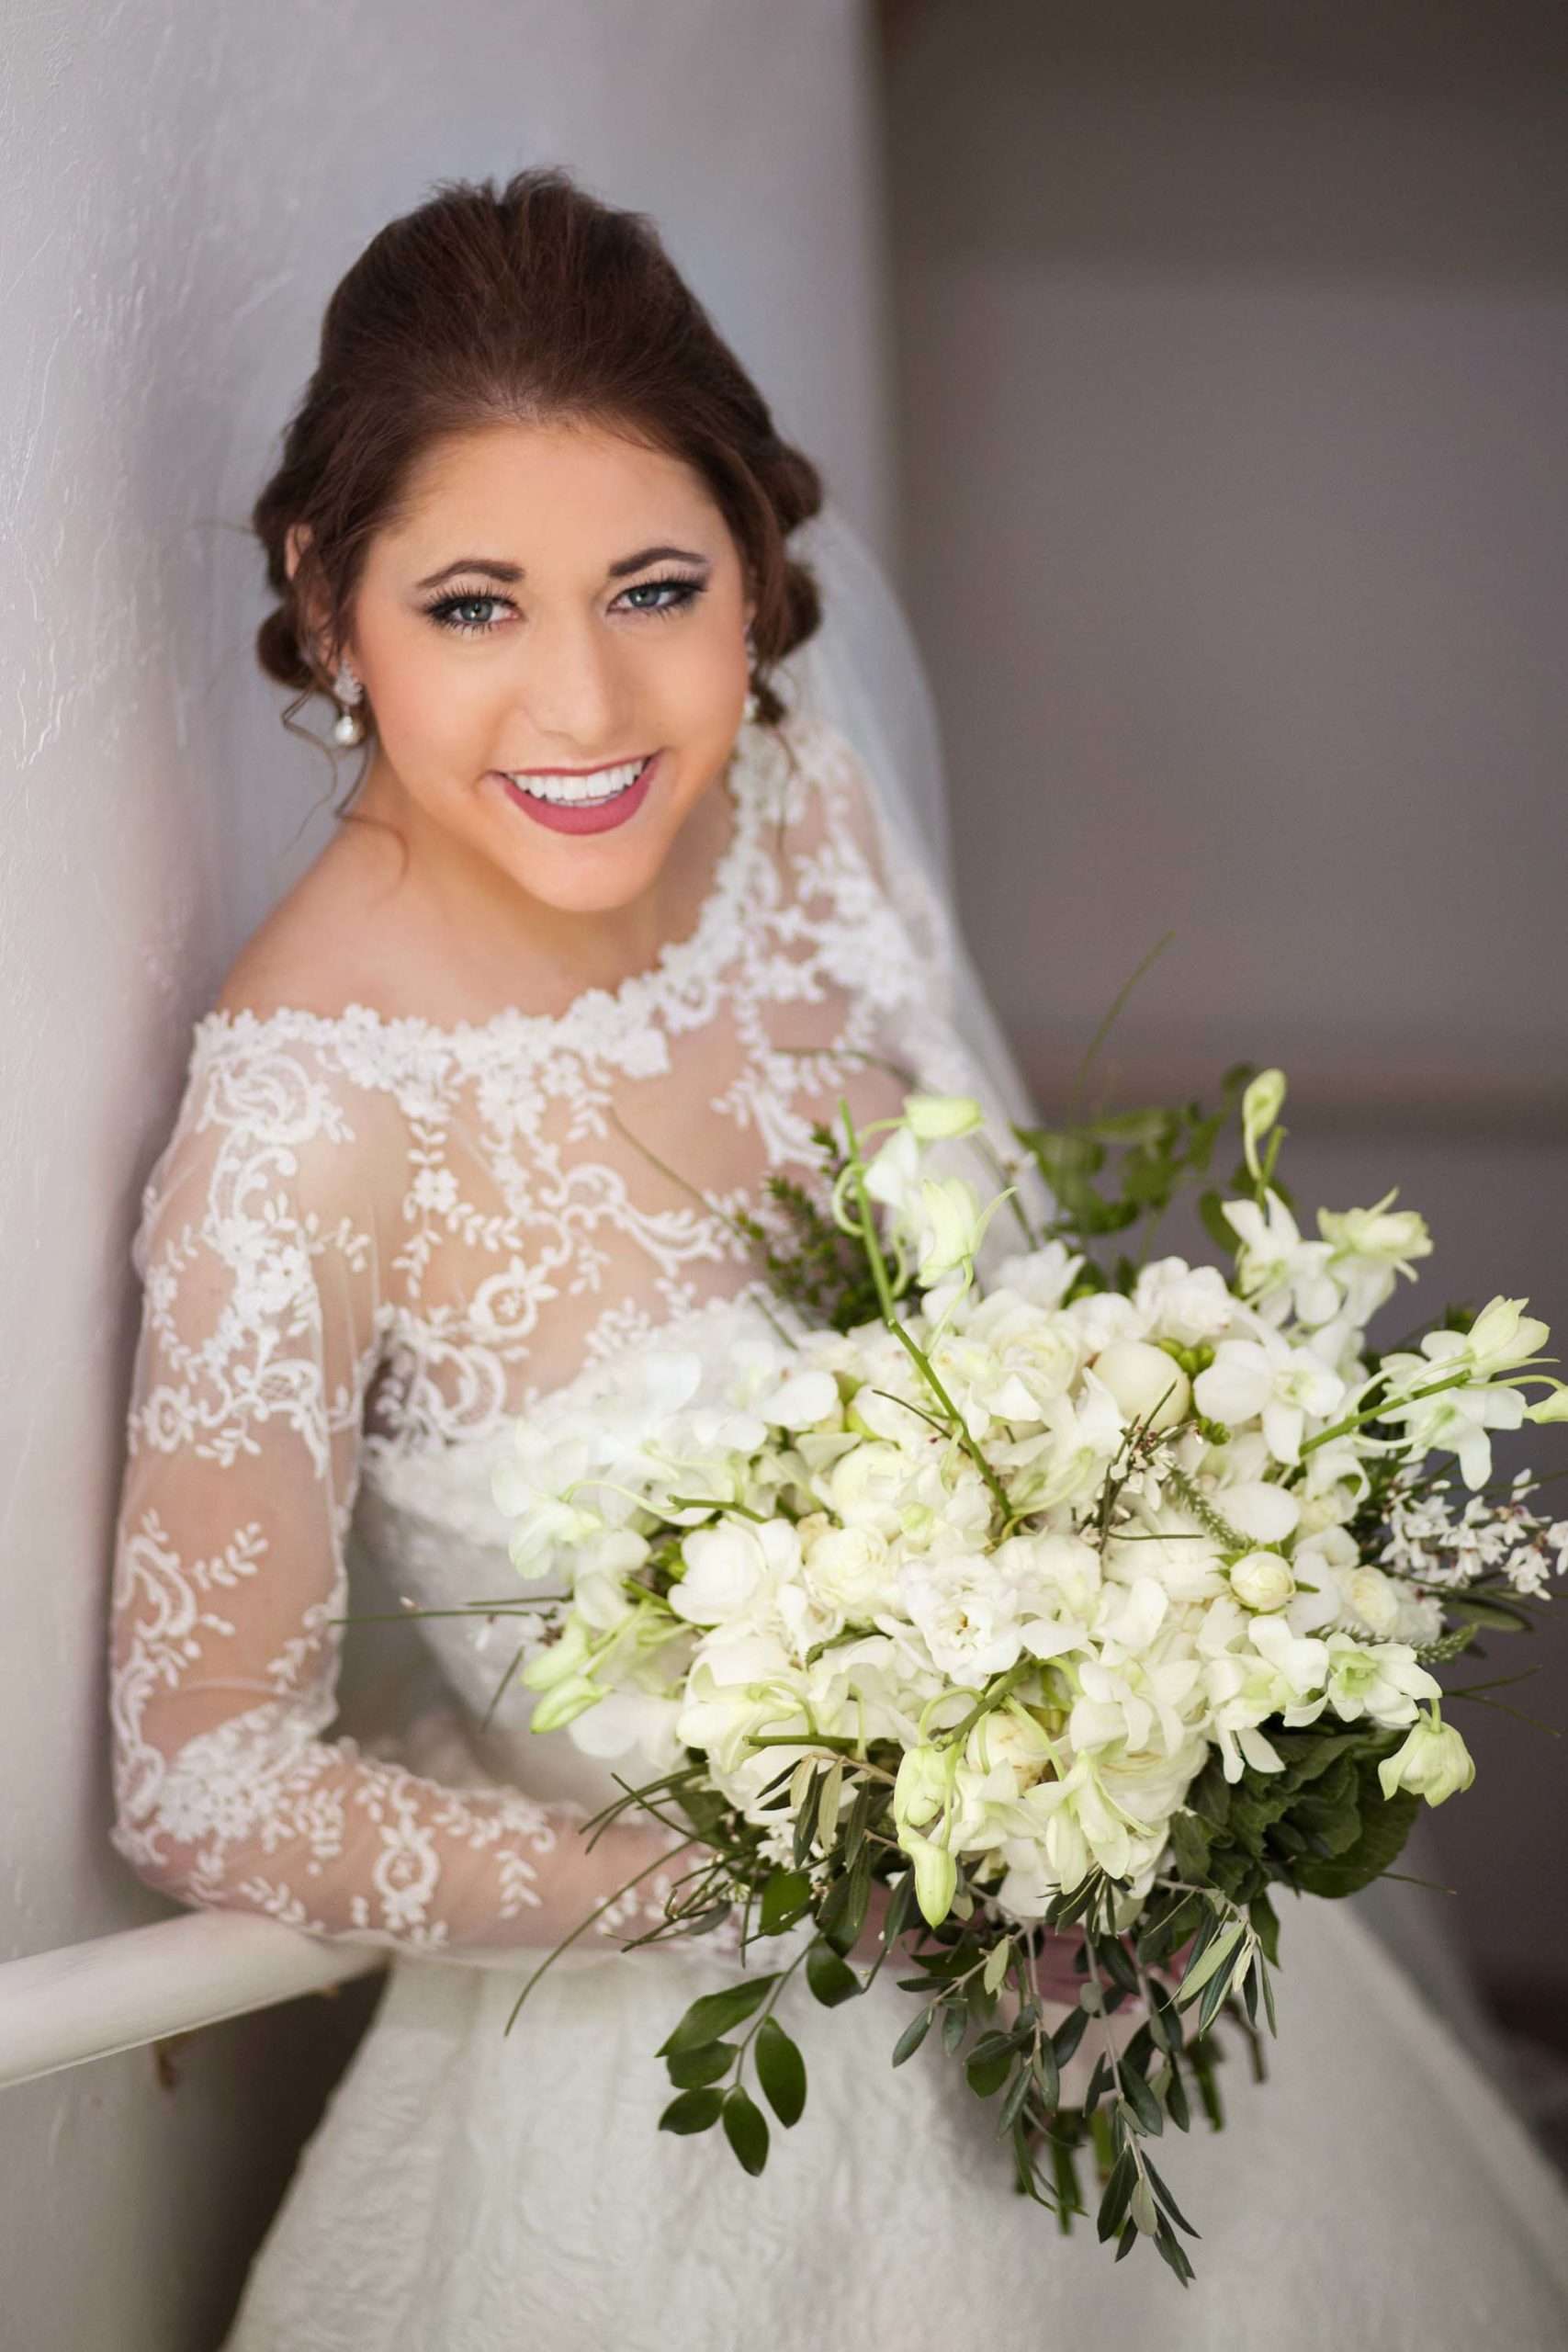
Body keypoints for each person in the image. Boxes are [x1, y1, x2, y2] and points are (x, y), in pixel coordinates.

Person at [107, 166, 1568, 2349]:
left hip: (1133, 1964)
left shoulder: (796, 804)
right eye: (473, 605)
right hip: (681, 2116)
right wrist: (763, 1890)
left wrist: (1137, 1671)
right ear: (328, 599)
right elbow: (202, 1774)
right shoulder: (304, 1115)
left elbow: (1015, 1311)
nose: (584, 705)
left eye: (655, 587)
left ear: (759, 571)